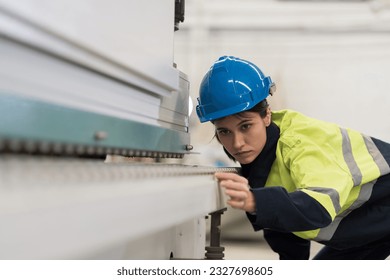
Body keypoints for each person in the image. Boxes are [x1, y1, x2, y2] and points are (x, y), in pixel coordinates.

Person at [196, 55, 390, 260]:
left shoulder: (297, 143)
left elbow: (317, 207)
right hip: (371, 228)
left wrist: (256, 201)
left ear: (266, 115)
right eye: (224, 132)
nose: (237, 143)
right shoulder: (262, 158)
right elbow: (284, 226)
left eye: (246, 126)